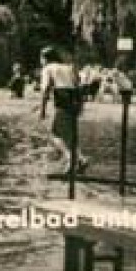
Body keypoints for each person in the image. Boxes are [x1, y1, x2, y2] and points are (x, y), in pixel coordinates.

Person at [38, 46, 87, 175]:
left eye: (41, 58)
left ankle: (70, 158)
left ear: (45, 58)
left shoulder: (48, 68)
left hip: (62, 98)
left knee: (55, 134)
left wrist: (42, 109)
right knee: (70, 135)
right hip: (75, 99)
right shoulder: (68, 67)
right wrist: (81, 106)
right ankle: (81, 159)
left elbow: (46, 89)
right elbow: (78, 85)